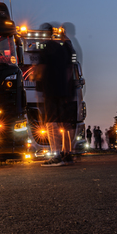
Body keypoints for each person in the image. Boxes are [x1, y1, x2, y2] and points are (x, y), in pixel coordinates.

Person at [36, 23, 75, 166]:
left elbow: (41, 69)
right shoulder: (64, 48)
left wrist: (38, 86)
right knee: (64, 124)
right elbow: (70, 67)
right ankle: (67, 154)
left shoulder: (45, 48)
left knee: (51, 123)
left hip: (51, 90)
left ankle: (56, 156)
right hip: (64, 91)